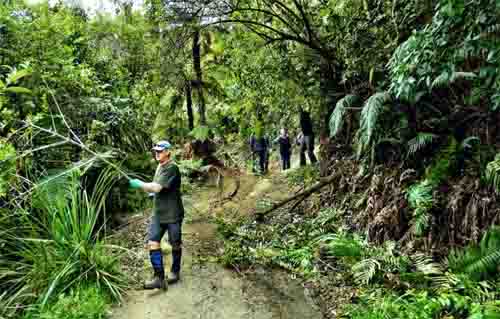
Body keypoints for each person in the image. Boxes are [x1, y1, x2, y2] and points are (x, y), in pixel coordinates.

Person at [129, 140, 184, 290]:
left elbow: (157, 187)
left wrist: (139, 184)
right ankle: (159, 277)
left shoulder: (172, 168)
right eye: (156, 151)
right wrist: (151, 191)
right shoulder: (160, 166)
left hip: (173, 214)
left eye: (160, 151)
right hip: (159, 214)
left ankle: (175, 271)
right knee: (153, 243)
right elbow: (155, 187)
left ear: (167, 152)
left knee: (175, 243)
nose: (157, 153)